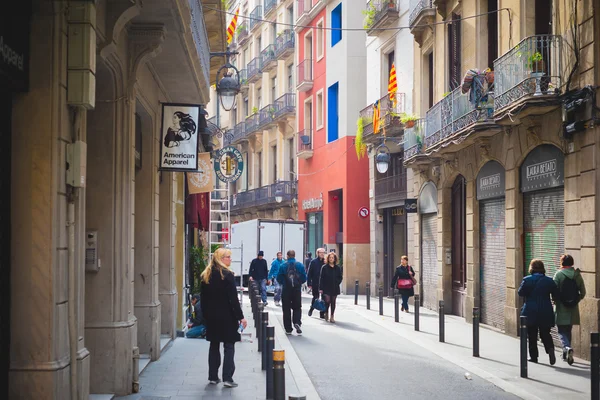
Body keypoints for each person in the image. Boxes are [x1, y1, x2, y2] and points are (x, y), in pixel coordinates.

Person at [200, 248, 247, 387]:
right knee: (229, 345)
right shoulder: (227, 275)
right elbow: (233, 299)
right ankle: (227, 378)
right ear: (221, 259)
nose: (230, 259)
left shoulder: (206, 275)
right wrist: (241, 317)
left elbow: (203, 300)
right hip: (227, 317)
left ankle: (213, 377)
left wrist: (205, 317)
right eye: (228, 257)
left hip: (212, 317)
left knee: (214, 345)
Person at [518, 259, 558, 365]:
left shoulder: (527, 280)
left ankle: (534, 357)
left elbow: (520, 293)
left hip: (530, 311)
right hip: (545, 310)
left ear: (531, 268)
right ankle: (550, 349)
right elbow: (556, 295)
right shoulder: (549, 281)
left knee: (532, 335)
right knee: (545, 333)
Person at [553, 254, 586, 365]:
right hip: (573, 308)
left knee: (561, 331)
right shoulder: (577, 275)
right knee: (568, 330)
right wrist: (575, 300)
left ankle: (567, 348)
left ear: (562, 263)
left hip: (561, 307)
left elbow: (554, 291)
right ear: (572, 263)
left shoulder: (558, 274)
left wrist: (555, 301)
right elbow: (583, 292)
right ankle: (566, 354)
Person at [277, 250, 307, 335]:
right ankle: (297, 322)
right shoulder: (300, 265)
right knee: (297, 307)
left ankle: (288, 329)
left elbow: (279, 278)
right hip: (297, 290)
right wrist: (298, 283)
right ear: (294, 255)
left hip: (286, 289)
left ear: (287, 256)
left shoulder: (283, 265)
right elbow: (304, 278)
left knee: (286, 309)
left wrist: (284, 283)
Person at [319, 252, 343, 323]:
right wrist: (321, 288)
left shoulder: (337, 268)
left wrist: (337, 282)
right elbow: (321, 278)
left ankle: (332, 316)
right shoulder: (324, 267)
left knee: (333, 302)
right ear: (328, 258)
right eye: (330, 258)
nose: (331, 259)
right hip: (326, 287)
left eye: (332, 258)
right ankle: (326, 312)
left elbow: (340, 277)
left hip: (335, 287)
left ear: (335, 259)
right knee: (327, 301)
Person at [307, 248, 326, 318]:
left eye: (323, 253)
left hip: (324, 283)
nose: (322, 254)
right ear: (317, 253)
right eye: (321, 253)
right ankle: (311, 308)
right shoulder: (313, 262)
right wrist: (309, 283)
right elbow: (309, 273)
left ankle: (322, 313)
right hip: (315, 282)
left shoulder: (325, 262)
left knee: (324, 299)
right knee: (315, 297)